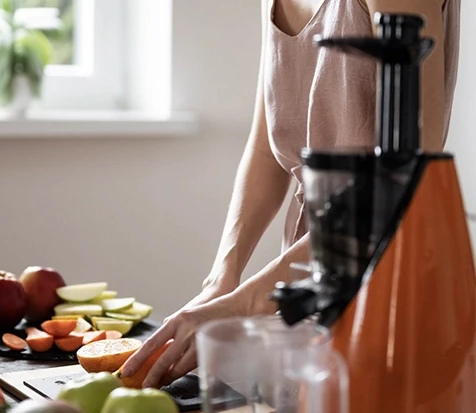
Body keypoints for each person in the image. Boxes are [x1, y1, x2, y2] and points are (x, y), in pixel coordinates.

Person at [121, 0, 461, 388]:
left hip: (392, 278)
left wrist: (247, 301)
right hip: (308, 267)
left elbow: (402, 183)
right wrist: (222, 280)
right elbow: (266, 149)